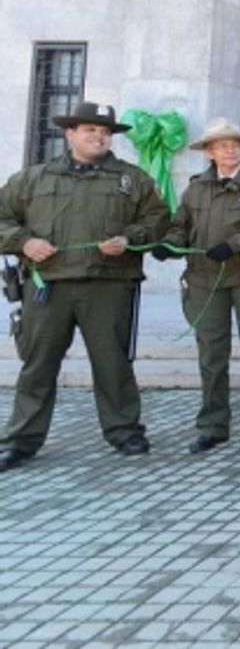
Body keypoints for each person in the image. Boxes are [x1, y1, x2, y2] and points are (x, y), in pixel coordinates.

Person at [0, 101, 169, 471]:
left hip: (108, 285)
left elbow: (159, 220)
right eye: (90, 129)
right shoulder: (33, 178)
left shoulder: (132, 180)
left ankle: (124, 431)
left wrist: (128, 239)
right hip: (48, 287)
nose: (99, 136)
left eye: (105, 131)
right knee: (37, 366)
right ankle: (21, 440)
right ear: (70, 133)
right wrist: (24, 242)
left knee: (113, 364)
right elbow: (2, 218)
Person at [158, 118, 240, 454]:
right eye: (222, 145)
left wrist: (236, 245)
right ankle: (213, 426)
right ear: (209, 152)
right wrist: (169, 245)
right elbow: (180, 226)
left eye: (235, 144)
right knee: (211, 355)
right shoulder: (196, 188)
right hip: (204, 279)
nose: (230, 150)